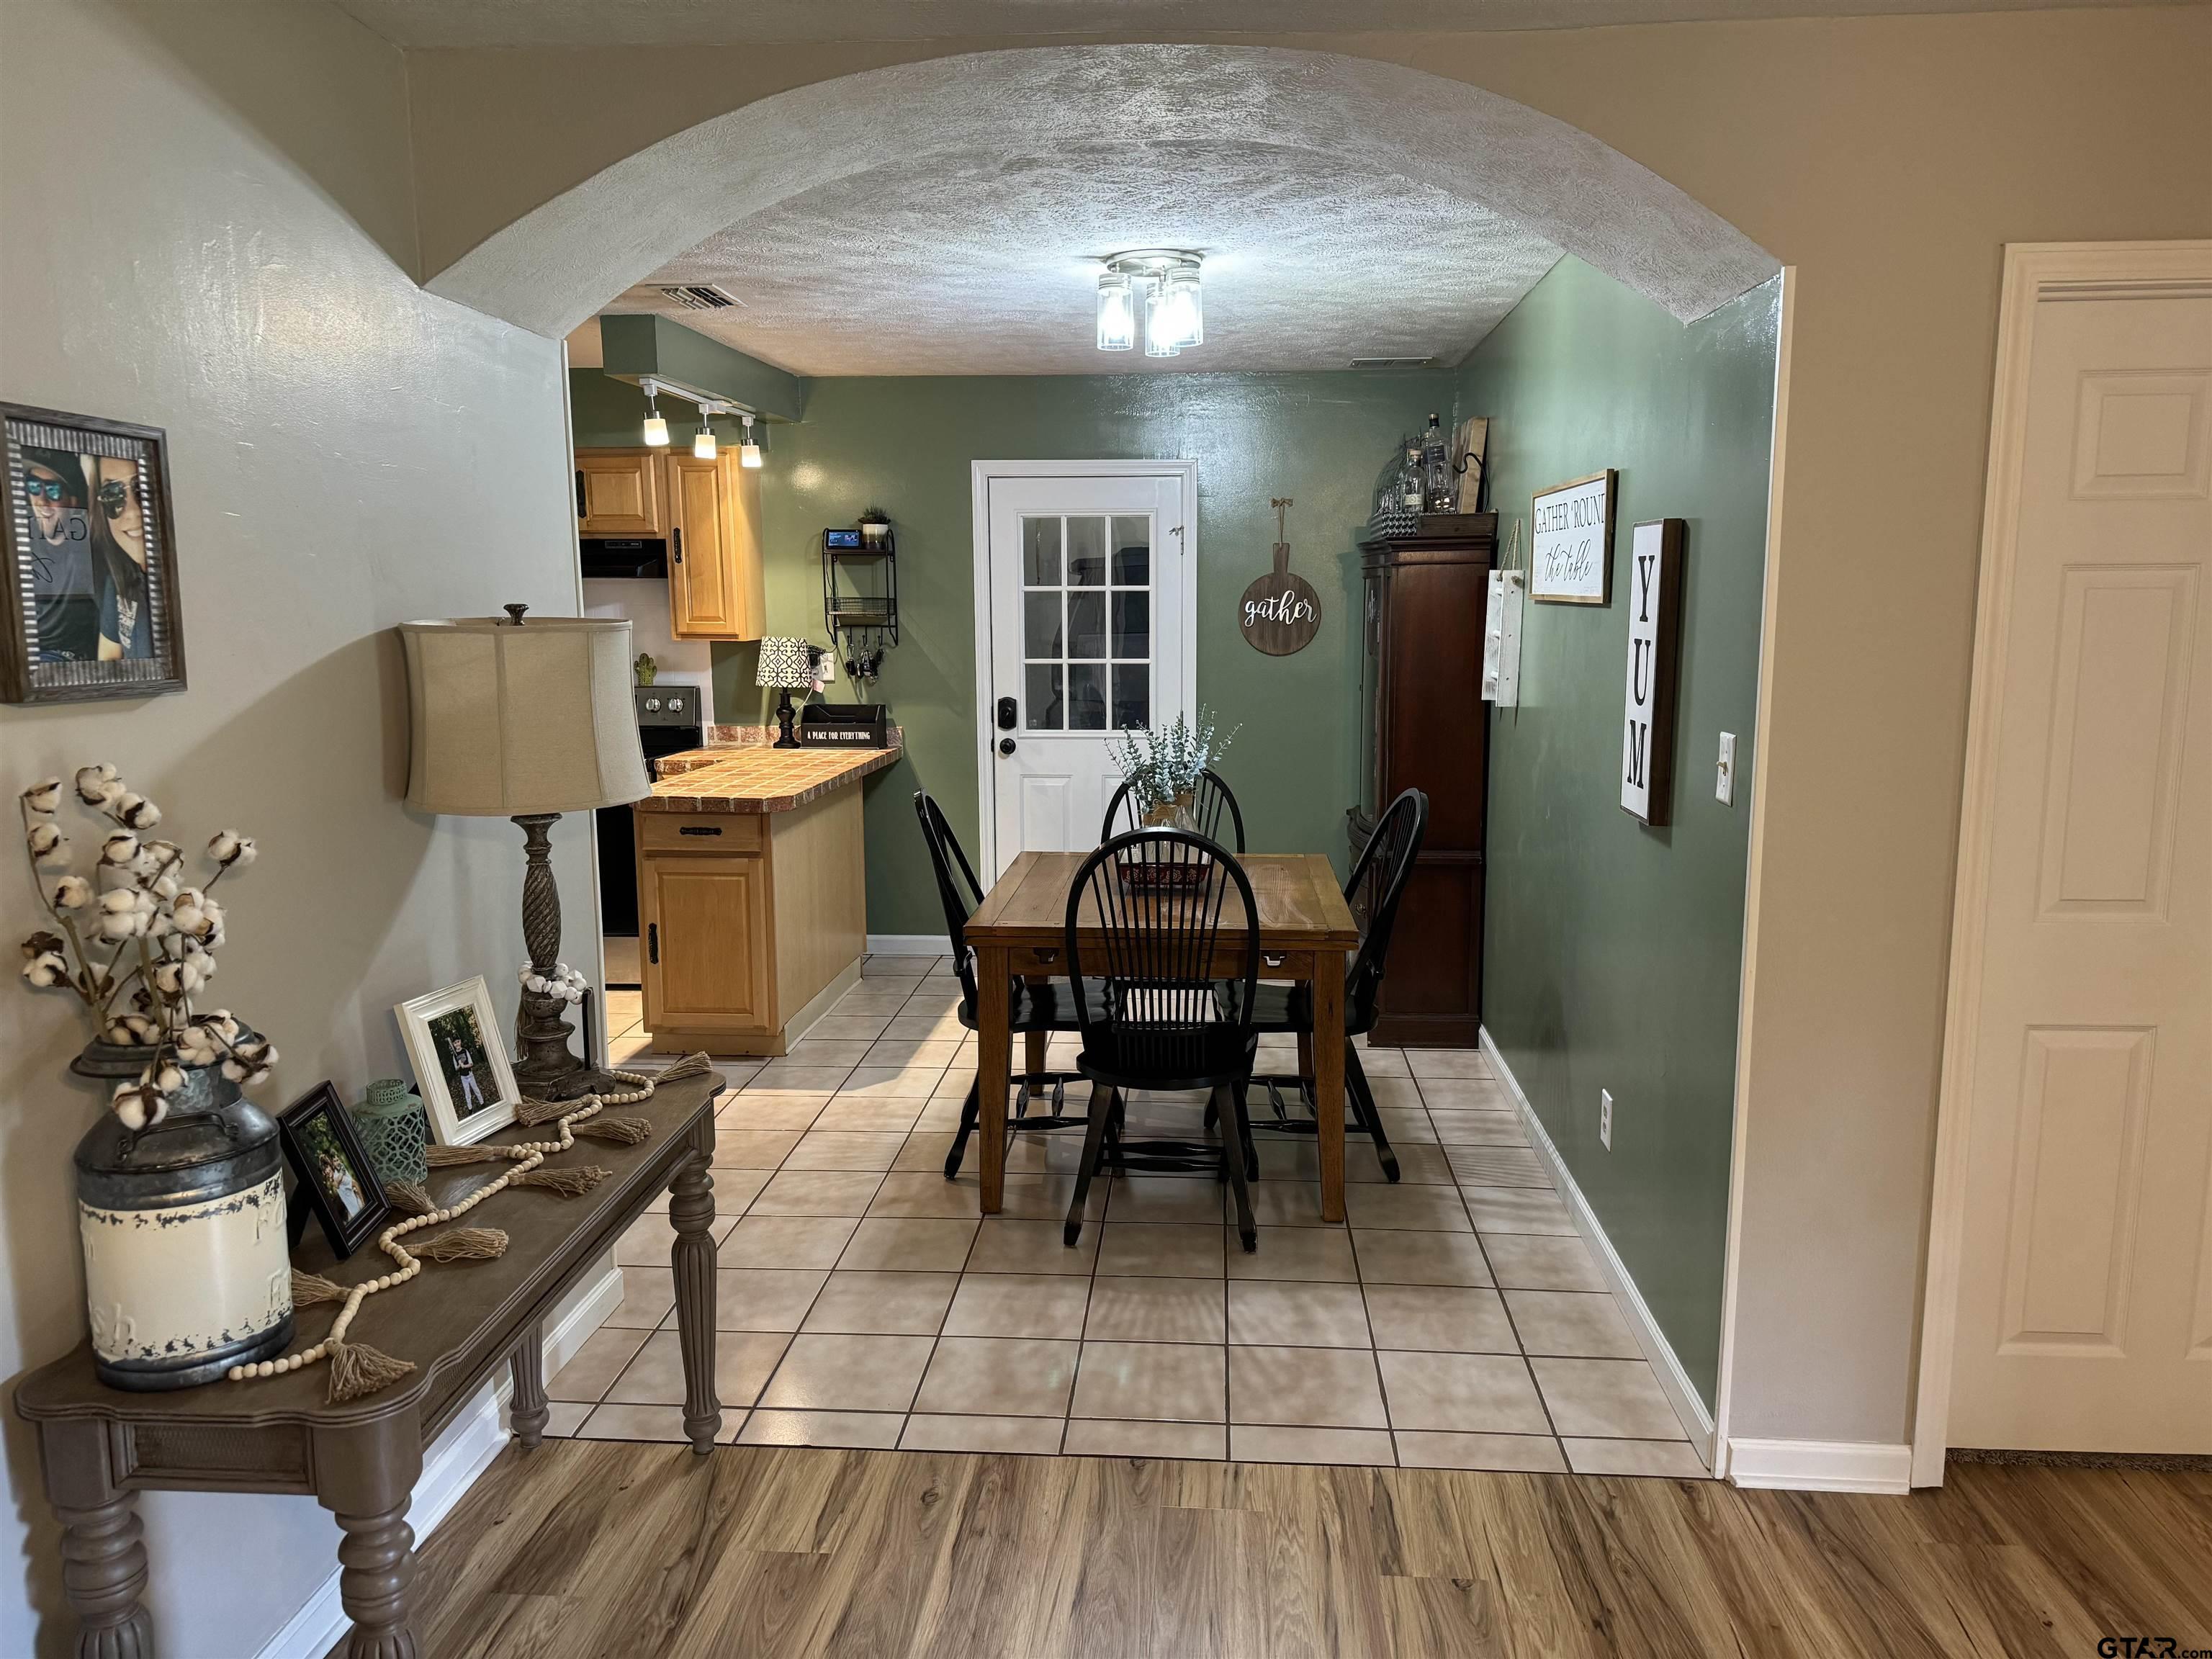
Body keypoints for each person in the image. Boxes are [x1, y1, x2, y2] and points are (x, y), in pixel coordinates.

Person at [19, 449, 98, 660]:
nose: (41, 500)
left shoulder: (88, 543)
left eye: (53, 490)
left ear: (73, 501)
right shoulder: (23, 536)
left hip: (63, 654)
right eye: (34, 486)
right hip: (26, 649)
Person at [89, 455, 152, 660]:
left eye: (143, 490)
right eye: (112, 495)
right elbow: (108, 660)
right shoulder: (116, 582)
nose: (133, 513)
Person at [448, 1031, 487, 1113]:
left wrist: (465, 1066)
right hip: (463, 1077)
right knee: (467, 1093)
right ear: (453, 1045)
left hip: (470, 1075)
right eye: (455, 1043)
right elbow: (456, 1068)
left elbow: (471, 1063)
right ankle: (470, 1109)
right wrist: (459, 1066)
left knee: (476, 1089)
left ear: (460, 1041)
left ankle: (482, 1103)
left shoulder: (465, 1051)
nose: (457, 1044)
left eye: (458, 1042)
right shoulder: (454, 1056)